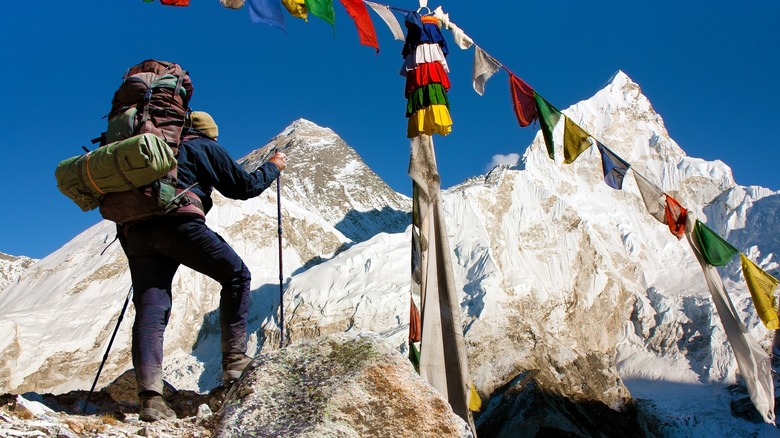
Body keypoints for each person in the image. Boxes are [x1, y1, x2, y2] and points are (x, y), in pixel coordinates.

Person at [117, 111, 287, 421]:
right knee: (236, 275)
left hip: (136, 231)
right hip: (180, 224)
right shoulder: (202, 146)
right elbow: (243, 187)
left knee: (151, 307)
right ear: (208, 133)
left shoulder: (150, 151)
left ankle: (150, 398)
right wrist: (273, 168)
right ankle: (235, 361)